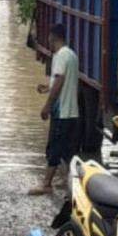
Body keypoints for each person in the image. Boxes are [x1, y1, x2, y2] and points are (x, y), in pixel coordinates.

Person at [29, 23, 79, 196]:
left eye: (49, 37)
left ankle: (46, 184)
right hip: (72, 111)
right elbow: (61, 81)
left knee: (54, 147)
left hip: (62, 111)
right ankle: (72, 183)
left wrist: (47, 105)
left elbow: (59, 80)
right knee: (67, 149)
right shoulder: (71, 54)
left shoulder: (60, 55)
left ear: (52, 37)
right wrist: (47, 87)